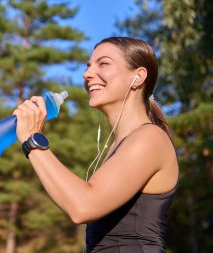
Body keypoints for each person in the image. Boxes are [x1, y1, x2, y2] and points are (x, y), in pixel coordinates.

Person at [12, 37, 179, 253]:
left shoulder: (150, 138)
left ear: (138, 77)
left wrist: (32, 139)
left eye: (104, 63)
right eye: (88, 66)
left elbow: (82, 206)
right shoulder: (120, 146)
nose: (87, 74)